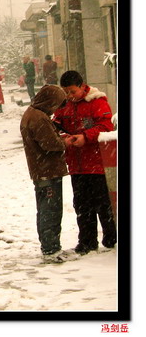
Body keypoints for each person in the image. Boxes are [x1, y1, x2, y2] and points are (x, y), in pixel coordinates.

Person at [53, 70, 117, 255]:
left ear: (82, 86)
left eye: (72, 91)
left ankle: (111, 239)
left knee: (103, 204)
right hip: (76, 164)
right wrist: (65, 136)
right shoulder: (64, 105)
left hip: (96, 164)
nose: (70, 96)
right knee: (81, 205)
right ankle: (87, 241)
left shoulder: (97, 102)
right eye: (66, 92)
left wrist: (85, 137)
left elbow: (105, 126)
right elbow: (56, 124)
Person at [20, 84, 71, 263]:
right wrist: (66, 142)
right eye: (57, 104)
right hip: (47, 171)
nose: (56, 108)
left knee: (44, 209)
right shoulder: (38, 118)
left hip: (41, 171)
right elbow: (50, 144)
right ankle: (51, 248)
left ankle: (50, 246)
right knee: (50, 210)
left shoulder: (33, 114)